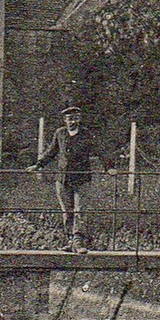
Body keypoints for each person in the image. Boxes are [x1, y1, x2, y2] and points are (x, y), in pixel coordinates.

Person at [29, 104, 98, 252]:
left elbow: (100, 150)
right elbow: (51, 151)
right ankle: (71, 240)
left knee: (80, 210)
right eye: (69, 119)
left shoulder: (86, 134)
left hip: (81, 178)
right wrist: (38, 165)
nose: (72, 122)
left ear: (79, 119)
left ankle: (79, 242)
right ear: (65, 120)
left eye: (75, 118)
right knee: (67, 211)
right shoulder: (60, 133)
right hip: (63, 179)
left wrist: (109, 167)